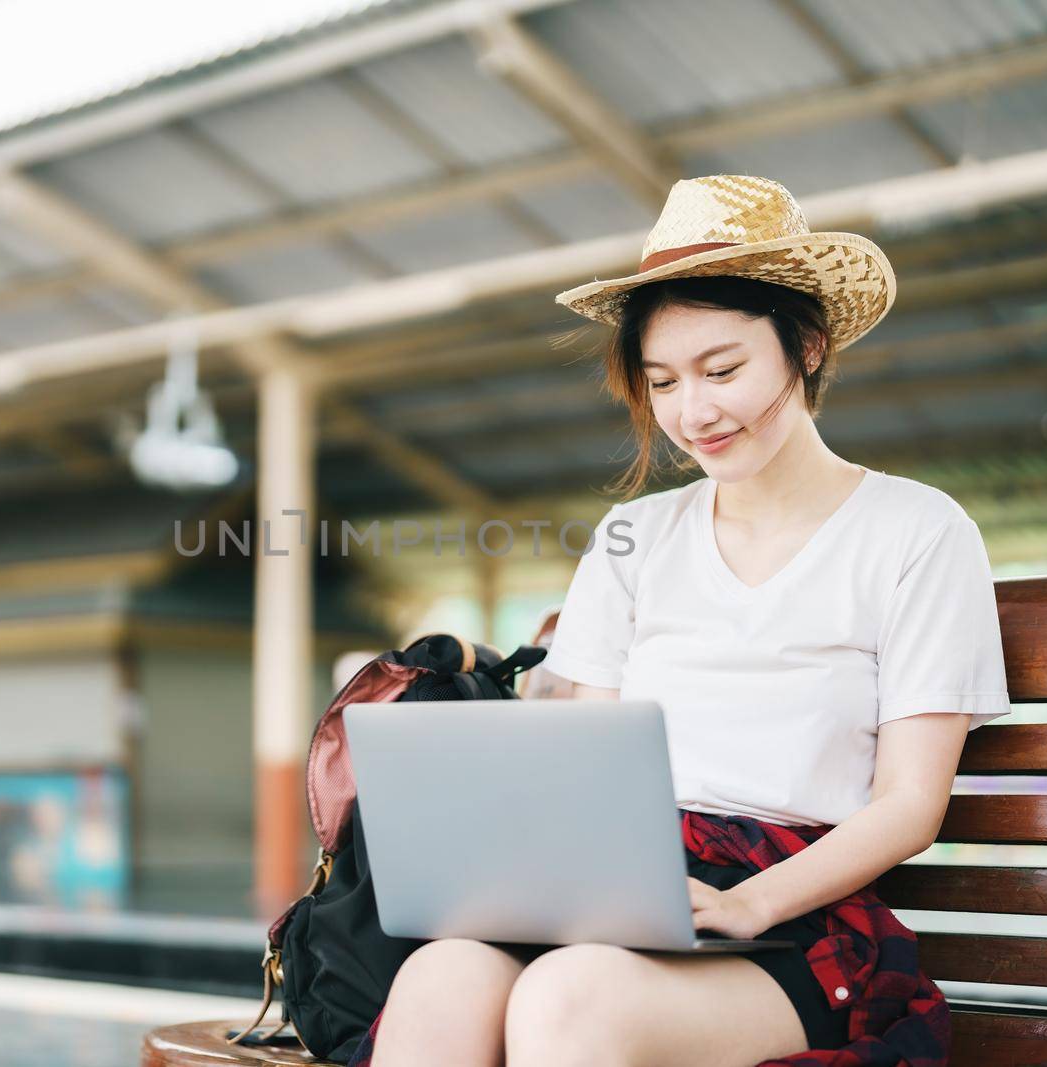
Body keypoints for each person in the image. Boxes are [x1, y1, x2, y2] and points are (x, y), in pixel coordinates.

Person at [357, 175, 1010, 1067]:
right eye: (662, 381)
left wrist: (750, 901)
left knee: (567, 999)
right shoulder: (634, 535)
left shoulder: (918, 532)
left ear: (807, 347)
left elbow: (910, 804)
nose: (691, 413)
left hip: (795, 923)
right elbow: (586, 768)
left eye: (724, 370)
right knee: (441, 980)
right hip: (624, 894)